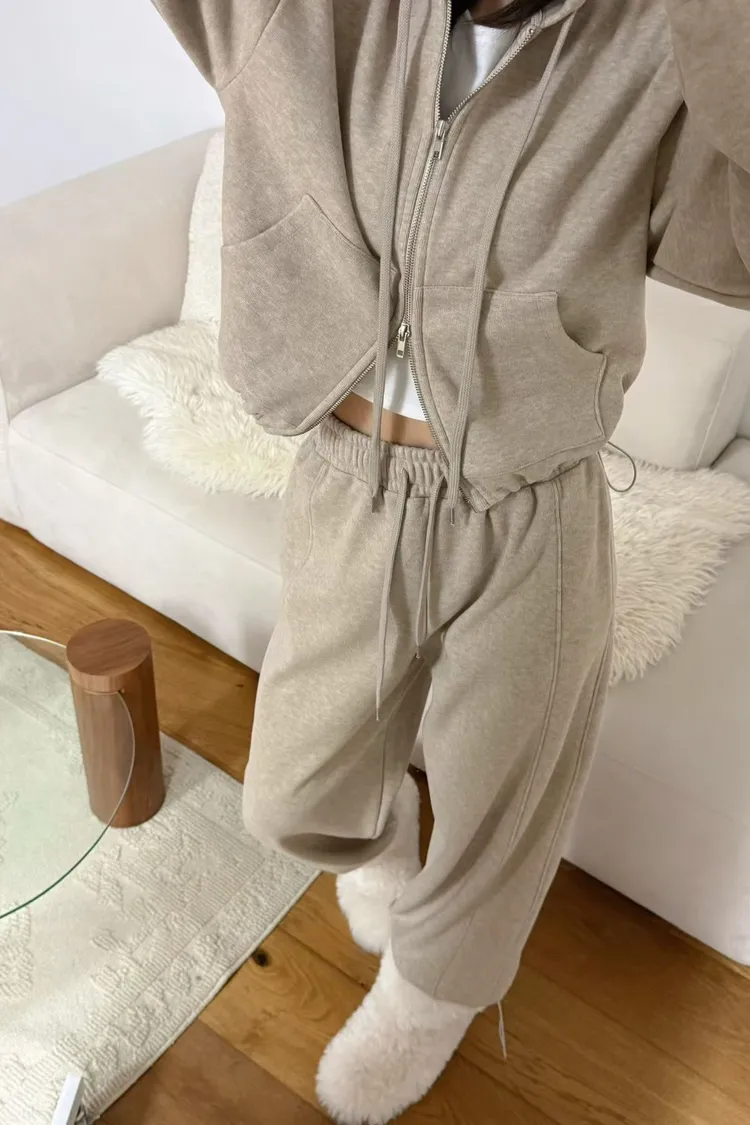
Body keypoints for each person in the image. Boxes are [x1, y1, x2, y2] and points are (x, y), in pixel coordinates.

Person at [154, 1, 750, 1120]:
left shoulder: (654, 41)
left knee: (501, 806)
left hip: (533, 507)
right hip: (349, 482)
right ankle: (381, 844)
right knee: (291, 794)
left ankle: (431, 1001)